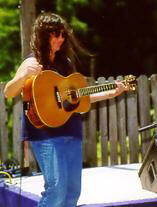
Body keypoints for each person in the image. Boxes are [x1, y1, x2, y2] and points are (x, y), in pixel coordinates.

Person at [4, 12, 128, 207]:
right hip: (45, 135)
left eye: (63, 35)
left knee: (72, 192)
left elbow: (79, 99)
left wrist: (110, 93)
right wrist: (22, 77)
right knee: (56, 192)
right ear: (44, 35)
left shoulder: (66, 64)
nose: (61, 39)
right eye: (56, 34)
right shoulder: (32, 63)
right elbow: (8, 91)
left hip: (71, 132)